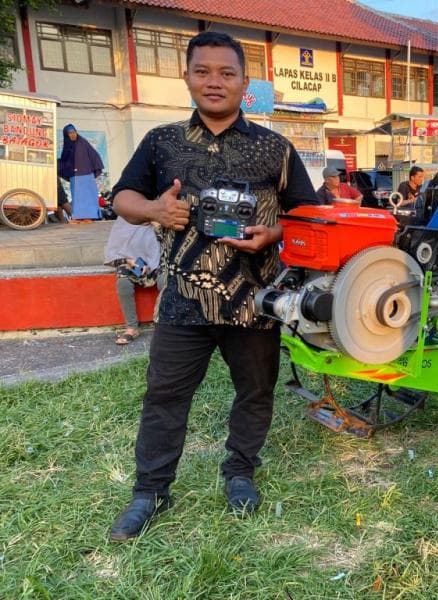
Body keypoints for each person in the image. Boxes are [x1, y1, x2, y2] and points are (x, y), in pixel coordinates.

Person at [107, 31, 319, 542]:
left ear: (245, 82)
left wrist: (275, 232)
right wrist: (157, 208)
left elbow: (309, 214)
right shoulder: (162, 141)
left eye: (226, 73)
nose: (214, 82)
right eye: (203, 71)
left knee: (255, 391)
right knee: (165, 395)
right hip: (182, 298)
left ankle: (240, 472)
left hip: (255, 302)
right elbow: (122, 198)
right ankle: (150, 492)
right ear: (187, 77)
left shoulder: (275, 146)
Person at [104, 217, 162, 345]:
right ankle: (132, 328)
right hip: (133, 264)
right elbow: (114, 255)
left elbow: (172, 246)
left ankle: (163, 325)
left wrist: (157, 226)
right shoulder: (125, 219)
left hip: (160, 264)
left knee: (166, 281)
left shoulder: (161, 216)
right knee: (123, 282)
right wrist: (129, 261)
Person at [58, 124, 103, 221]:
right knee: (77, 197)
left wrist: (93, 169)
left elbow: (94, 155)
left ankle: (88, 217)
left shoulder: (82, 143)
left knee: (87, 196)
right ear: (66, 135)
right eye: (70, 133)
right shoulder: (67, 145)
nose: (73, 135)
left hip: (86, 174)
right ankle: (79, 217)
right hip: (75, 176)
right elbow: (65, 160)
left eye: (74, 132)